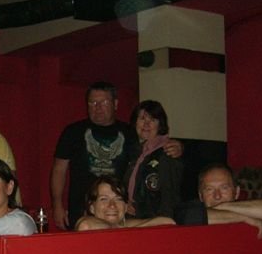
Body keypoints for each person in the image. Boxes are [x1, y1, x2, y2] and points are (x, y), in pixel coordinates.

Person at [51, 81, 182, 230]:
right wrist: (57, 205)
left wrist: (178, 146)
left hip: (119, 212)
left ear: (115, 104)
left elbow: (152, 147)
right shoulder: (73, 131)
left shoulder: (130, 133)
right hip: (82, 209)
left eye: (104, 102)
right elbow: (59, 170)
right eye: (93, 102)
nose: (98, 107)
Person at [174, 163, 262, 238]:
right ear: (200, 196)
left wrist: (223, 207)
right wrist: (242, 217)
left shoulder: (246, 208)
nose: (217, 196)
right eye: (209, 189)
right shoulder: (189, 209)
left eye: (224, 188)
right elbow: (187, 217)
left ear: (237, 192)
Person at [124, 100, 183, 219]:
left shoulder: (168, 152)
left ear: (160, 125)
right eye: (142, 119)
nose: (146, 124)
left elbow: (169, 198)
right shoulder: (136, 152)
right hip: (135, 218)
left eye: (152, 120)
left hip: (155, 221)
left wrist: (164, 224)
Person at [75, 175, 175, 231]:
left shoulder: (125, 224)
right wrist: (122, 231)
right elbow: (86, 226)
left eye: (118, 199)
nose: (112, 205)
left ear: (126, 207)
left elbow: (168, 222)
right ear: (92, 207)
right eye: (104, 199)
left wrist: (123, 230)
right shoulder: (88, 222)